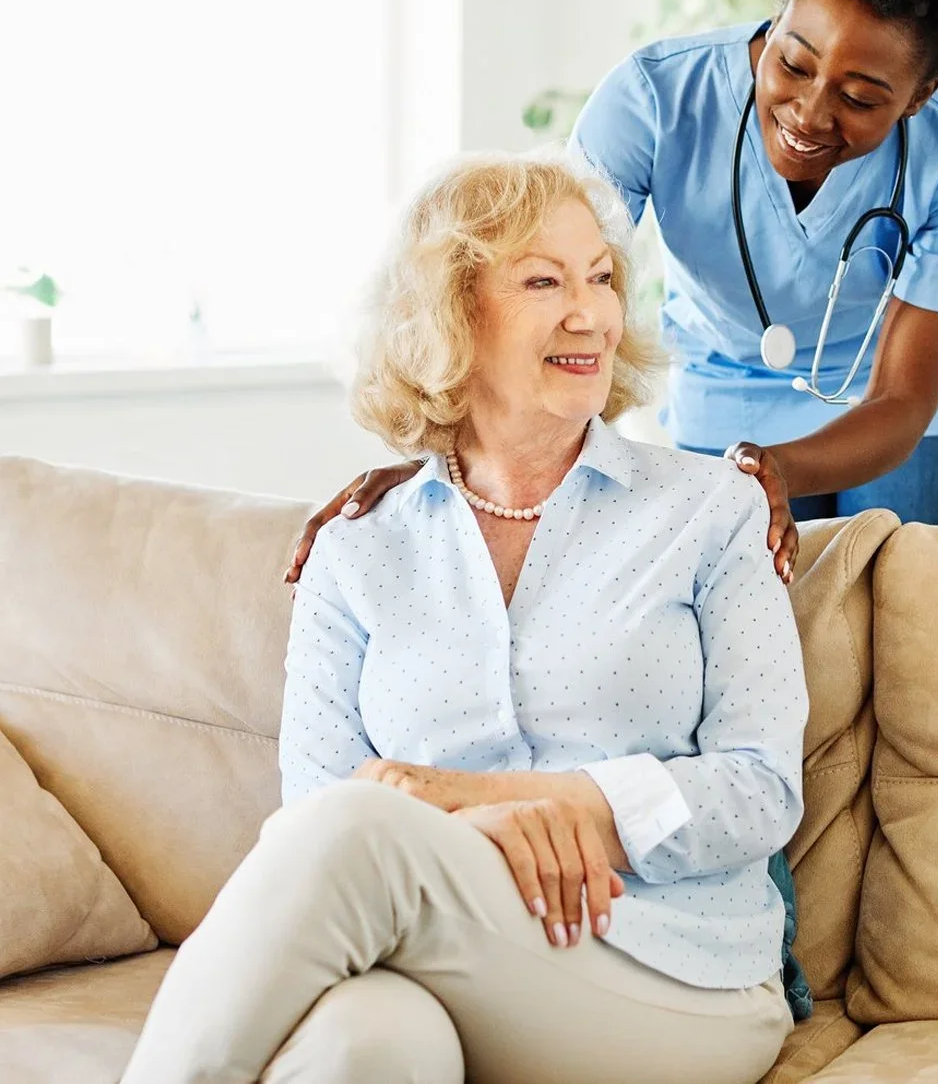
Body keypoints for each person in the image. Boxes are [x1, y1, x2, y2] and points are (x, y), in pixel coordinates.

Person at [121, 152, 806, 1084]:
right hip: (449, 956)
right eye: (543, 281)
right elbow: (312, 820)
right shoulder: (357, 548)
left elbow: (761, 789)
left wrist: (486, 800)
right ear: (451, 314)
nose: (590, 313)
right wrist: (468, 840)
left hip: (673, 974)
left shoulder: (708, 510)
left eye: (601, 277)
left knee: (360, 833)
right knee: (365, 1047)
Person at [286, 0, 938, 587]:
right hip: (725, 393)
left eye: (862, 97)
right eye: (793, 63)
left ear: (920, 94)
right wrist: (446, 465)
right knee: (752, 630)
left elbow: (902, 401)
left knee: (909, 635)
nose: (808, 113)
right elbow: (530, 285)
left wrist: (779, 464)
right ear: (775, 19)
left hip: (910, 417)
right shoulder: (654, 99)